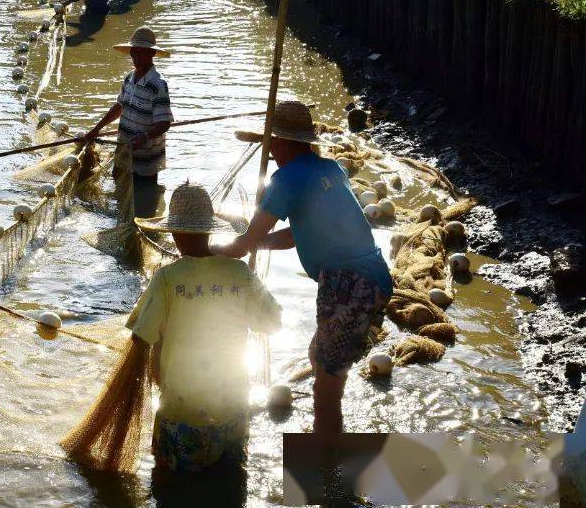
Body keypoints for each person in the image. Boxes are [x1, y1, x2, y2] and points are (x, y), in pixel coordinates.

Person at [212, 101, 393, 436]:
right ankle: (328, 443)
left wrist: (212, 252)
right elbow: (297, 234)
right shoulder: (329, 169)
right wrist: (256, 243)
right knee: (321, 358)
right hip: (374, 278)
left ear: (280, 142)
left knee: (325, 382)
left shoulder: (286, 179)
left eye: (270, 143)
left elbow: (248, 239)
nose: (268, 150)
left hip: (349, 286)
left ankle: (325, 467)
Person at [129, 183, 282, 474]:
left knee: (172, 486)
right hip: (233, 412)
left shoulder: (166, 278)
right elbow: (273, 322)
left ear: (173, 234)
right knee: (231, 482)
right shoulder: (239, 271)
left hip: (181, 414)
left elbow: (140, 337)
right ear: (210, 229)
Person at [81, 27, 172, 218]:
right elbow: (119, 107)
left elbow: (164, 123)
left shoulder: (158, 85)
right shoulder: (129, 79)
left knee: (143, 209)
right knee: (121, 198)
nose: (136, 56)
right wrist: (96, 129)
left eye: (141, 52)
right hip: (124, 150)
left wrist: (145, 136)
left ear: (152, 54)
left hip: (145, 158)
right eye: (134, 51)